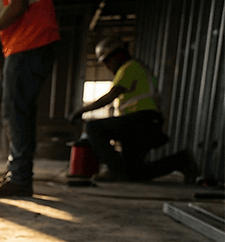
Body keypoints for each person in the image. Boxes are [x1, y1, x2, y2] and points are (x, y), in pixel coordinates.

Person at [66, 37, 198, 182]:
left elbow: (110, 96)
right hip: (144, 125)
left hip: (140, 121)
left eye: (107, 61)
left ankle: (115, 170)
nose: (107, 66)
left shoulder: (128, 68)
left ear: (119, 55)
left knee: (93, 128)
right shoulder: (134, 69)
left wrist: (80, 111)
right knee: (135, 174)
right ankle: (181, 160)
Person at [0, 0, 61, 197]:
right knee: (23, 111)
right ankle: (19, 175)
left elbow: (18, 6)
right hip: (35, 41)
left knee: (15, 111)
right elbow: (10, 7)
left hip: (28, 41)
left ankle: (20, 179)